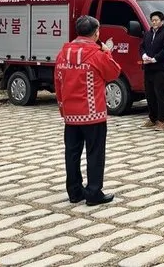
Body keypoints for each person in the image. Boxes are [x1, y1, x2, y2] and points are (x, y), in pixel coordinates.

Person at [55, 15, 121, 206]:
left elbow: (58, 82)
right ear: (96, 32)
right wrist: (108, 52)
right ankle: (93, 192)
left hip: (71, 114)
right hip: (93, 113)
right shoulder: (97, 54)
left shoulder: (63, 53)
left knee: (72, 153)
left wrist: (63, 109)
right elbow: (113, 72)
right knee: (95, 153)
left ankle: (74, 191)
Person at [140, 11, 164, 131]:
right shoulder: (147, 33)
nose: (154, 22)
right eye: (152, 20)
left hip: (159, 68)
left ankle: (162, 120)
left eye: (156, 20)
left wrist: (155, 59)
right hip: (148, 68)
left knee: (160, 95)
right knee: (149, 94)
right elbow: (141, 46)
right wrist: (143, 55)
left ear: (162, 21)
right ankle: (152, 118)